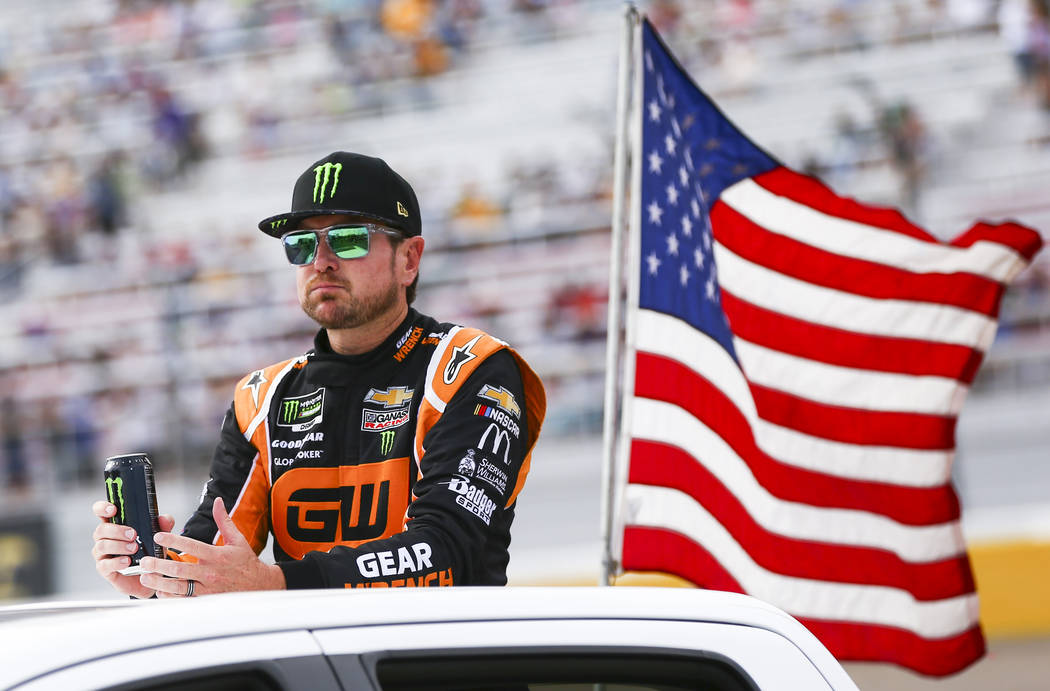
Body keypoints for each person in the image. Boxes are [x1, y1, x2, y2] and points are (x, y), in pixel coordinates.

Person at [91, 152, 546, 597]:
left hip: (443, 666)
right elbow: (217, 555)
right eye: (302, 244)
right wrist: (154, 576)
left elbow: (450, 550)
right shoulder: (262, 398)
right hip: (320, 669)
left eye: (348, 239)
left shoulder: (470, 368)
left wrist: (279, 582)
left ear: (409, 259)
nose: (321, 260)